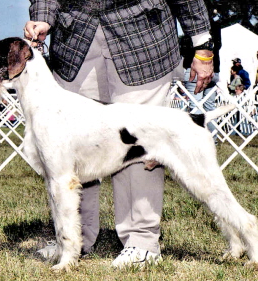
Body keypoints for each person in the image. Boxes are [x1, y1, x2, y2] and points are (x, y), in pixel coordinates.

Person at [24, 0, 214, 268]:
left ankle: (141, 241)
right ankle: (73, 240)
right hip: (75, 44)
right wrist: (42, 18)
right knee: (72, 149)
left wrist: (203, 46)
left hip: (143, 41)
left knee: (138, 147)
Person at [182, 7, 222, 136]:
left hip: (196, 69)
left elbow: (185, 47)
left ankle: (197, 141)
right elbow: (219, 44)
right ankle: (213, 139)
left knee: (195, 106)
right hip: (214, 69)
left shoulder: (192, 27)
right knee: (210, 108)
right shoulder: (216, 25)